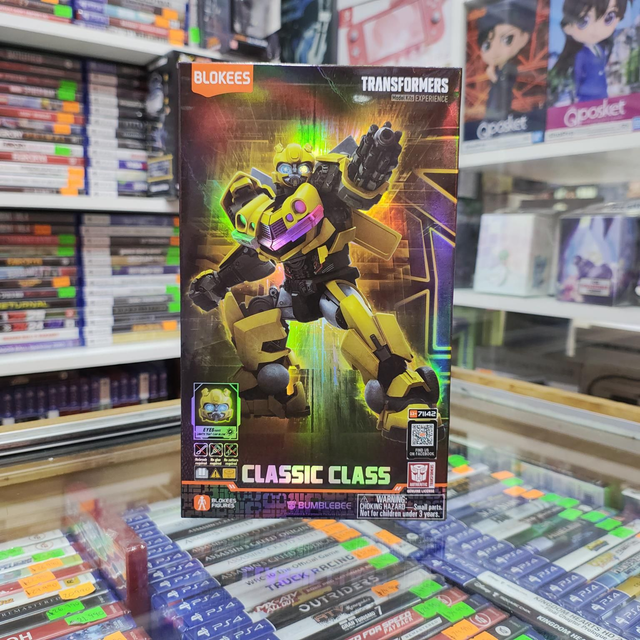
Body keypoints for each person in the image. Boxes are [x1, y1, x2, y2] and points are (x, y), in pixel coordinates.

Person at [554, 0, 630, 102]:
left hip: (602, 93)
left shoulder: (601, 49)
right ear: (567, 27)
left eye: (609, 17)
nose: (597, 30)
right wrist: (577, 92)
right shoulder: (581, 54)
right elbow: (577, 74)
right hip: (586, 96)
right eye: (583, 21)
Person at [477, 0, 538, 120]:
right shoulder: (500, 69)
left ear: (524, 38)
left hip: (501, 113)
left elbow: (505, 87)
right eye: (487, 45)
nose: (495, 51)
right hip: (495, 112)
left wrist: (494, 77)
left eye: (507, 39)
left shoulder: (509, 68)